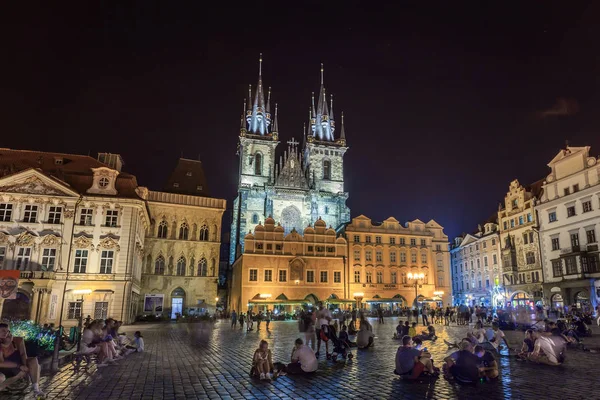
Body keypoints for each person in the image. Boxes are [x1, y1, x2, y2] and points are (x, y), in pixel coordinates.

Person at [0, 322, 45, 397]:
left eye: (8, 331)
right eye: (3, 331)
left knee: (33, 360)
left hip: (19, 363)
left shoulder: (18, 340)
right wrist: (6, 345)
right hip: (7, 367)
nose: (6, 333)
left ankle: (36, 389)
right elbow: (1, 363)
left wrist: (24, 366)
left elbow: (23, 354)